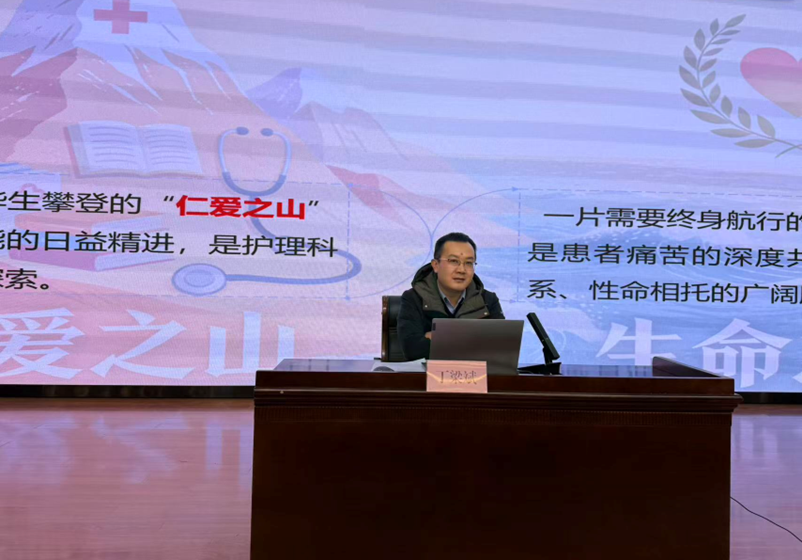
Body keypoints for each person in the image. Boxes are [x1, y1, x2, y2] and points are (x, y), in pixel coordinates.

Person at [398, 232, 505, 360]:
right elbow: (413, 350)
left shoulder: (487, 300)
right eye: (453, 261)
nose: (461, 270)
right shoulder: (414, 298)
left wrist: (436, 337)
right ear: (436, 265)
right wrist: (475, 340)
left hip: (475, 373)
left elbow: (501, 350)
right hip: (428, 372)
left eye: (469, 263)